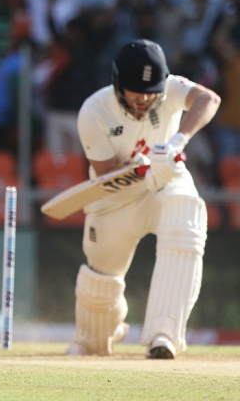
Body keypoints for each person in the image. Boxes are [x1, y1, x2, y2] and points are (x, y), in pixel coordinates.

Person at [67, 39, 220, 359]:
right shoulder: (93, 111)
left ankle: (163, 335)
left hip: (164, 187)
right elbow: (108, 174)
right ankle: (102, 331)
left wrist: (177, 141)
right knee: (93, 331)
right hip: (114, 199)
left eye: (151, 91)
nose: (144, 98)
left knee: (186, 210)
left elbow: (208, 98)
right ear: (118, 82)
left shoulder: (171, 89)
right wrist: (147, 168)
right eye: (135, 90)